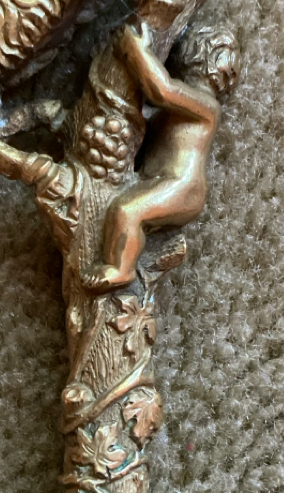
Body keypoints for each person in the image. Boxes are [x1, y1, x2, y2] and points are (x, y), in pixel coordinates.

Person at [83, 19, 240, 292]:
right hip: (161, 180)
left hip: (182, 187)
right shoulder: (175, 112)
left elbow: (162, 90)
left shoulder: (207, 105)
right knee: (125, 210)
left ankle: (121, 270)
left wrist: (136, 50)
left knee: (128, 210)